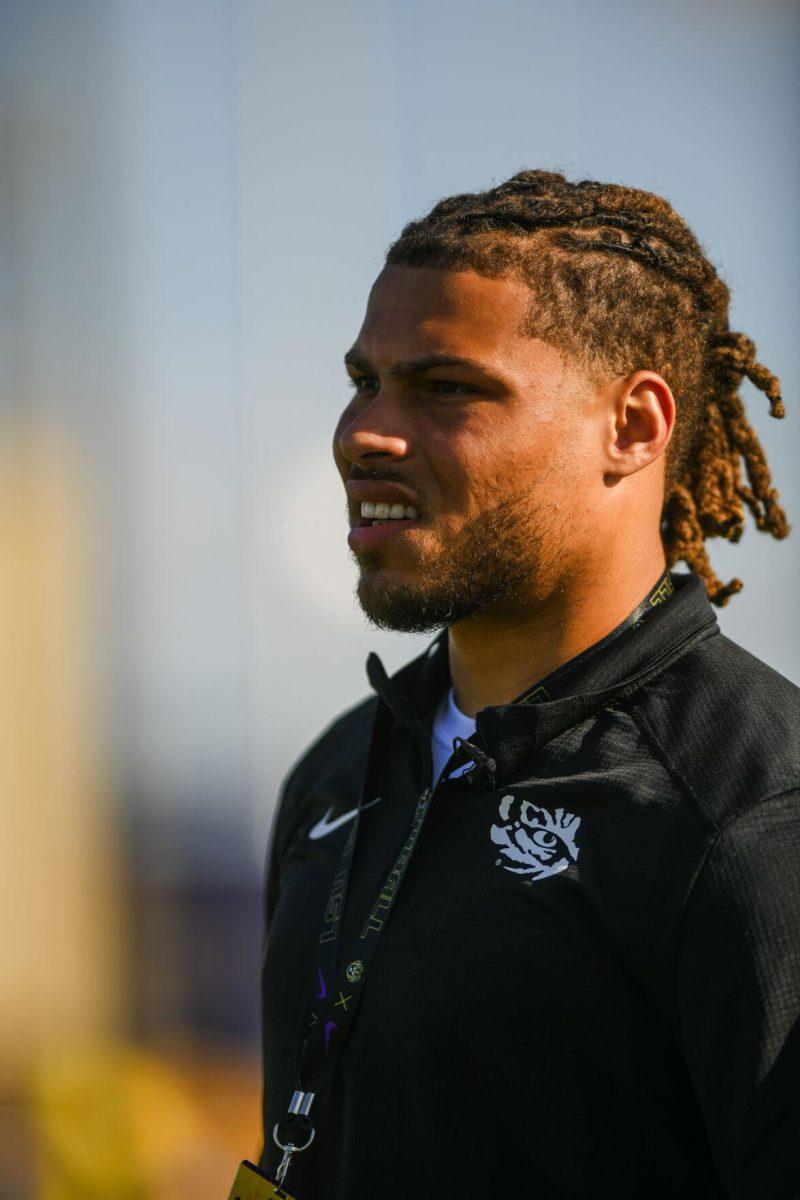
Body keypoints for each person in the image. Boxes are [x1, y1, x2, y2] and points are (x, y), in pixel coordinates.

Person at [256, 169, 799, 1199]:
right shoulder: (336, 775)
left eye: (446, 387)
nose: (363, 432)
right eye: (363, 379)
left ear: (632, 426)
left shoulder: (750, 815)